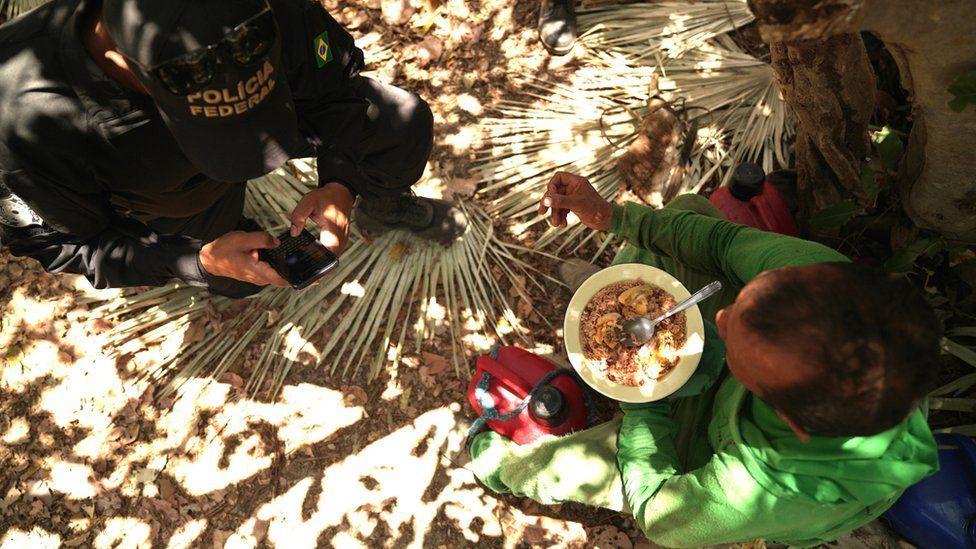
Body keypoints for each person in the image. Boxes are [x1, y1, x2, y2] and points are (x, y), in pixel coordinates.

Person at [470, 172, 942, 547]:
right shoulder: (818, 282)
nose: (717, 317)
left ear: (792, 421)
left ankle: (498, 466)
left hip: (712, 442)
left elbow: (658, 513)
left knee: (568, 468)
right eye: (744, 303)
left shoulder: (774, 486)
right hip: (746, 391)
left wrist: (640, 394)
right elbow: (721, 244)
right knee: (690, 210)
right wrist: (611, 216)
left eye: (737, 349)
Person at [0, 0, 465, 298]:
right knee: (235, 275)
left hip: (282, 116)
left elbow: (334, 82)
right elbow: (71, 245)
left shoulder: (258, 6)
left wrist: (341, 181)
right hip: (169, 196)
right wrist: (196, 260)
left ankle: (382, 208)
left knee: (397, 119)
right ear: (126, 63)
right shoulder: (19, 118)